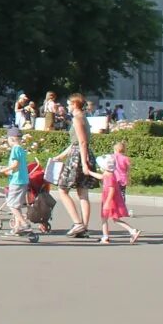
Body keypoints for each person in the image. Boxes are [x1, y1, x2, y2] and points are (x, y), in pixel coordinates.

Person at [53, 92, 100, 239]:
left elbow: (82, 142)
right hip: (80, 153)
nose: (67, 106)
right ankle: (83, 227)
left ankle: (77, 223)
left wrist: (84, 163)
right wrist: (61, 156)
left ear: (74, 104)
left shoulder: (77, 119)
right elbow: (77, 142)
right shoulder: (83, 118)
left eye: (68, 104)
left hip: (78, 156)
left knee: (62, 189)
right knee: (82, 192)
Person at [97, 139, 140, 244]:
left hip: (110, 195)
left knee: (106, 217)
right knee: (113, 217)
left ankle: (106, 236)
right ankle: (131, 231)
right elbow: (128, 170)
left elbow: (111, 189)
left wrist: (107, 202)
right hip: (121, 181)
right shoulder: (124, 160)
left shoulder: (110, 170)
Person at [2, 132, 37, 239]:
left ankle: (24, 224)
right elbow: (19, 166)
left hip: (16, 181)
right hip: (23, 180)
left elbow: (15, 164)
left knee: (11, 204)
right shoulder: (21, 149)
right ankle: (17, 227)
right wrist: (9, 170)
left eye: (8, 139)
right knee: (17, 204)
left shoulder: (15, 149)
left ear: (12, 139)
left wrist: (4, 169)